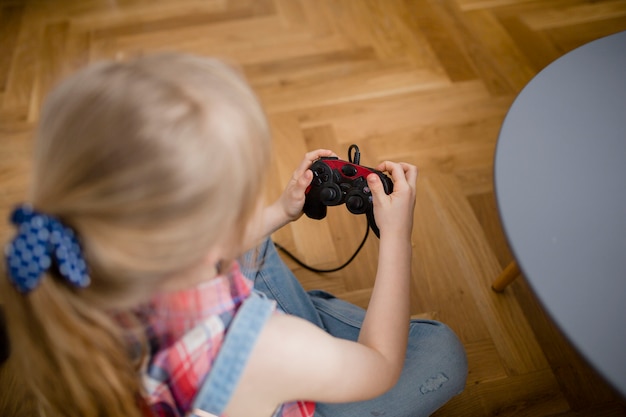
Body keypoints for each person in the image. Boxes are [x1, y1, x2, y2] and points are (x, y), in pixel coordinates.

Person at [0, 53, 467, 417]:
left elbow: (229, 244)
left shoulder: (74, 271)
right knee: (443, 351)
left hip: (194, 376)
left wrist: (280, 212)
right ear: (208, 244)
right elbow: (380, 366)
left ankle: (318, 324)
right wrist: (397, 240)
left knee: (258, 244)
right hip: (267, 372)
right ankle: (323, 331)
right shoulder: (272, 346)